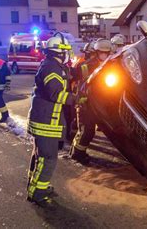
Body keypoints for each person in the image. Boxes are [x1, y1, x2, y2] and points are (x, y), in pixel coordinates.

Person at [26, 34, 86, 207]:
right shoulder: (51, 68)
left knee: (40, 157)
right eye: (66, 51)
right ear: (59, 52)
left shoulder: (53, 65)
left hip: (46, 120)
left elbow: (69, 75)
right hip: (46, 122)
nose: (68, 54)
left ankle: (36, 186)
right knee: (48, 159)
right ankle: (37, 193)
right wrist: (76, 98)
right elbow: (56, 93)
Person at [69, 39, 113, 164]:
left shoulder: (111, 65)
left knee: (90, 131)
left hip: (102, 104)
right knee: (86, 130)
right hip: (86, 103)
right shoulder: (86, 66)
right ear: (96, 52)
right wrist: (76, 97)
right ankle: (77, 154)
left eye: (106, 52)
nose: (103, 55)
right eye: (101, 52)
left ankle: (77, 151)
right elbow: (75, 79)